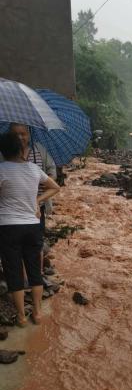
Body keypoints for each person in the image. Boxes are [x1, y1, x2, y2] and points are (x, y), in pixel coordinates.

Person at [0, 133, 60, 326]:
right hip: (32, 226)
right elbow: (54, 186)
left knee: (14, 272)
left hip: (8, 227)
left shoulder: (1, 169)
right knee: (35, 271)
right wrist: (37, 200)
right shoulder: (34, 169)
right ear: (20, 149)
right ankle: (37, 312)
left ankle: (22, 317)